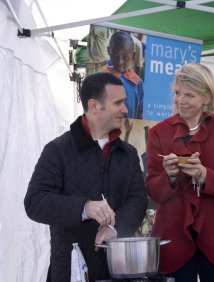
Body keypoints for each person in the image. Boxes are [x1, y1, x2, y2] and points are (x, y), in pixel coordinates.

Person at [24, 73, 148, 282]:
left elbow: (138, 199)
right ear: (94, 106)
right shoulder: (58, 150)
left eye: (124, 102)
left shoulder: (128, 153)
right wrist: (84, 207)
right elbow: (35, 202)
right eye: (118, 103)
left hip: (116, 271)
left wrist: (113, 228)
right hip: (70, 271)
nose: (125, 110)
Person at [146, 63, 214, 282]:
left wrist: (203, 174)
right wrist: (170, 176)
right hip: (174, 235)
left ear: (206, 97)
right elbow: (154, 192)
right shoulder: (159, 132)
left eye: (189, 95)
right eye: (178, 93)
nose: (181, 100)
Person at [103, 30, 144, 119]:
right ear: (109, 51)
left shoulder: (137, 82)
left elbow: (140, 115)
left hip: (129, 131)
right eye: (115, 55)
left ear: (133, 56)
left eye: (125, 57)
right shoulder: (102, 79)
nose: (120, 61)